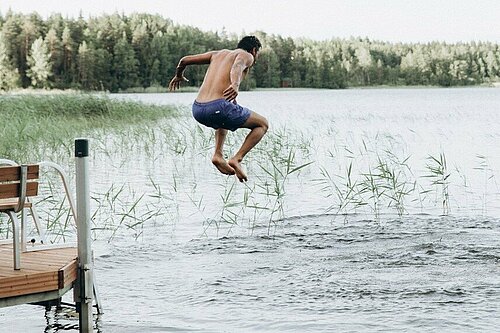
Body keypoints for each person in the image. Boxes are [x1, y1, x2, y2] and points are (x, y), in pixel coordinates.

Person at [169, 36, 268, 182]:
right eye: (257, 53)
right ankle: (237, 159)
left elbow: (184, 60)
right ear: (254, 50)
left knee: (225, 114)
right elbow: (238, 65)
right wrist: (235, 84)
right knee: (263, 124)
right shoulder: (246, 55)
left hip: (197, 109)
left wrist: (179, 75)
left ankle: (218, 155)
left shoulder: (216, 54)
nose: (256, 56)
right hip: (218, 107)